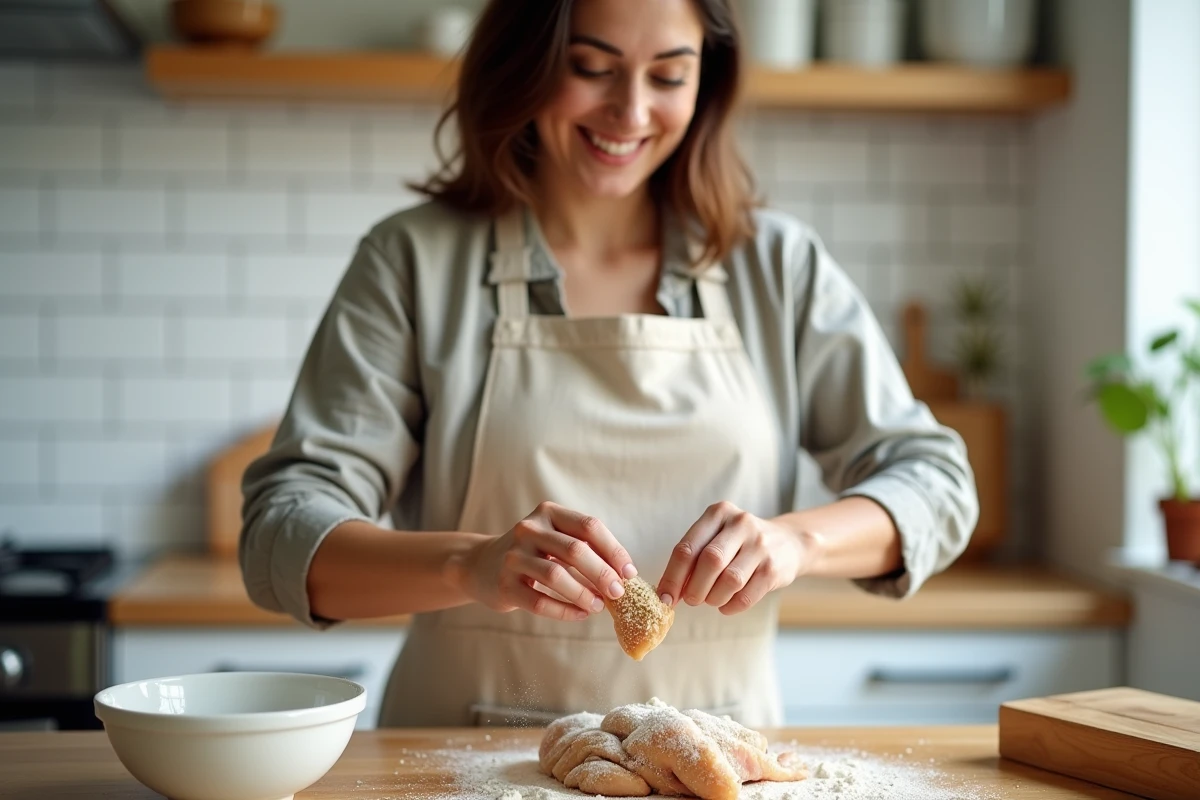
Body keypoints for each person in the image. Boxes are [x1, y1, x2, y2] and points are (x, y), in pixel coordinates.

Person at [239, 0, 978, 729]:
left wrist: (798, 541)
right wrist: (468, 565)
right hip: (459, 755)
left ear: (705, 85)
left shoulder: (776, 267)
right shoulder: (412, 262)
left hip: (718, 761)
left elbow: (934, 483)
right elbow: (280, 533)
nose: (630, 111)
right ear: (523, 66)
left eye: (668, 76)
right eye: (591, 68)